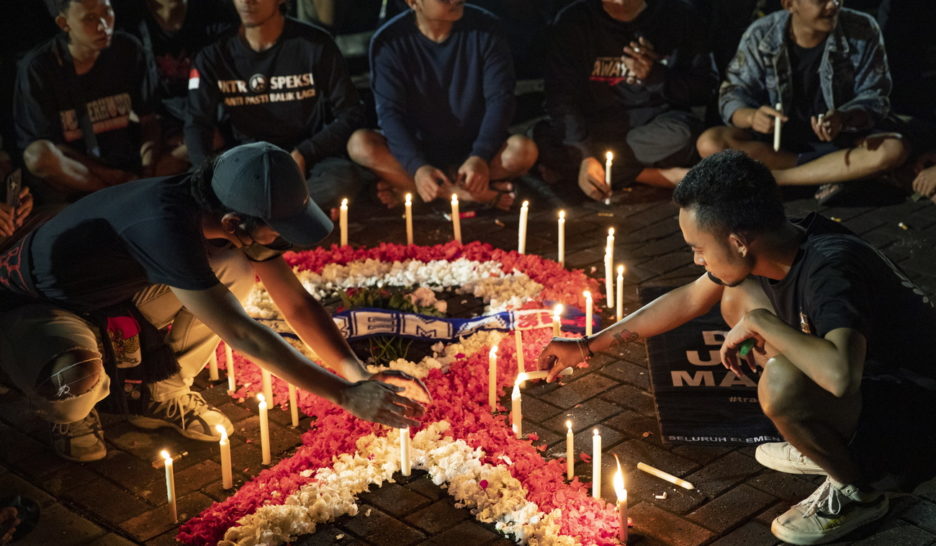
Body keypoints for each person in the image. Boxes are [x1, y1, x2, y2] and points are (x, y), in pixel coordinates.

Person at [539, 151, 936, 545]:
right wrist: (587, 345)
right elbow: (689, 299)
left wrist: (761, 323)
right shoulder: (783, 244)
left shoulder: (830, 270)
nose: (696, 260)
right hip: (877, 384)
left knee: (780, 385)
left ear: (740, 241)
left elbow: (840, 377)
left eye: (698, 247)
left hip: (918, 416)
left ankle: (857, 490)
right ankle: (821, 441)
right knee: (736, 296)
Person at [0, 142, 424, 463]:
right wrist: (346, 397)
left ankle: (160, 392)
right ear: (234, 222)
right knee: (75, 377)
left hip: (115, 295)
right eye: (278, 231)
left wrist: (358, 376)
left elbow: (295, 303)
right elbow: (241, 332)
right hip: (40, 305)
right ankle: (67, 410)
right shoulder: (164, 228)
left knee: (233, 265)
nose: (282, 242)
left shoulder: (214, 200)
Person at [696, 0, 909, 203]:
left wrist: (843, 118)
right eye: (820, 1)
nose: (833, 5)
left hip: (840, 143)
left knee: (892, 149)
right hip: (779, 148)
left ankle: (775, 180)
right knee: (711, 142)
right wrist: (752, 117)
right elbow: (733, 92)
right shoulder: (762, 33)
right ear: (789, 4)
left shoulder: (861, 28)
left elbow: (875, 96)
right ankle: (830, 175)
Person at [347, 0, 538, 210]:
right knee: (360, 145)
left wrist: (480, 155)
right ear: (413, 2)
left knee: (523, 150)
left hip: (474, 147)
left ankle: (420, 191)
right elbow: (390, 114)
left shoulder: (486, 28)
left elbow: (500, 99)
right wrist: (417, 166)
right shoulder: (390, 40)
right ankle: (463, 195)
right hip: (417, 148)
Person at [185, 0, 367, 216]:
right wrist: (205, 179)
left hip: (305, 158)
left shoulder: (314, 44)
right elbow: (197, 122)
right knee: (191, 189)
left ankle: (254, 217)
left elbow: (351, 111)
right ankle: (291, 214)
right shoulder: (214, 53)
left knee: (342, 180)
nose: (246, 2)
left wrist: (304, 153)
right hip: (246, 159)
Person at [533, 0, 717, 199]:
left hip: (654, 127)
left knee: (683, 136)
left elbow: (704, 88)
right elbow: (560, 96)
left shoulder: (678, 14)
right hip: (594, 125)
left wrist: (656, 76)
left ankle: (580, 171)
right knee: (544, 141)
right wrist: (585, 155)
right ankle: (656, 175)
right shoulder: (575, 19)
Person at [14, 0, 158, 205]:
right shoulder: (40, 67)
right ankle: (112, 193)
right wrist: (113, 177)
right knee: (38, 157)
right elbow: (48, 144)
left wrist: (148, 168)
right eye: (90, 18)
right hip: (81, 172)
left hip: (127, 162)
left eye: (107, 13)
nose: (103, 26)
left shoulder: (128, 48)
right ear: (64, 23)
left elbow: (148, 119)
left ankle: (134, 188)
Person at [113, 0, 238, 175]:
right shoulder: (124, 19)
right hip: (152, 127)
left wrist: (181, 152)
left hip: (209, 123)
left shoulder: (216, 14)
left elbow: (235, 92)